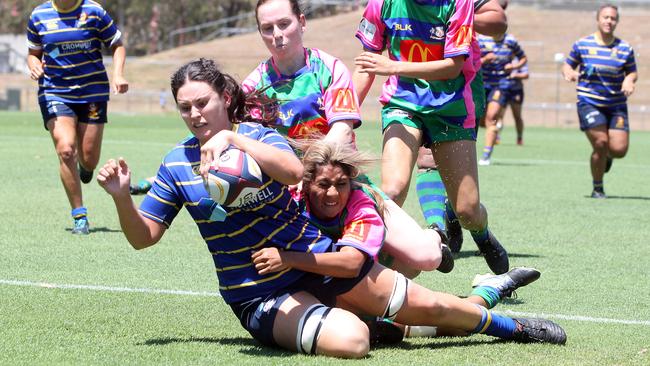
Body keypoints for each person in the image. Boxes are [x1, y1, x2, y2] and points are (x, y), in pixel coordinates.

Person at [98, 59, 566, 358]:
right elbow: (145, 238)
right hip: (259, 293)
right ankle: (382, 324)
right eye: (185, 108)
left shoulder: (258, 138)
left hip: (318, 262)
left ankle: (510, 324)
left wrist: (233, 137)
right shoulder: (176, 165)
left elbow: (288, 171)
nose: (196, 114)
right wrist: (122, 197)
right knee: (353, 341)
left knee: (436, 307)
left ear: (224, 98)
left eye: (203, 103)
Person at [239, 0, 452, 277]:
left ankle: (434, 236)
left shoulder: (328, 68)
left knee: (424, 258)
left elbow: (341, 130)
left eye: (284, 24)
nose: (277, 34)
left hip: (344, 186)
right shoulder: (254, 86)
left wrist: (303, 170)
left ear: (301, 23)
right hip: (290, 199)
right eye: (267, 28)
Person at [272, 138, 543, 342]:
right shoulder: (290, 201)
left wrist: (286, 259)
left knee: (443, 317)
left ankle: (487, 291)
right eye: (323, 185)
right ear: (306, 183)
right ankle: (490, 288)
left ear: (350, 183)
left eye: (341, 184)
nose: (332, 193)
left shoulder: (363, 205)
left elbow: (351, 265)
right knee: (440, 325)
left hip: (363, 278)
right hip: (329, 287)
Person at [353, 0, 509, 274]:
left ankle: (482, 234)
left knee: (467, 212)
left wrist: (393, 67)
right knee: (391, 191)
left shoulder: (458, 4)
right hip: (403, 102)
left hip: (451, 106)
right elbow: (367, 63)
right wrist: (342, 117)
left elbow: (452, 66)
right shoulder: (381, 4)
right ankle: (380, 263)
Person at [26, 0, 128, 234]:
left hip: (93, 93)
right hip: (54, 92)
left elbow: (117, 44)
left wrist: (119, 75)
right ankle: (79, 215)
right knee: (65, 149)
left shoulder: (93, 11)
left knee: (90, 159)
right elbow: (33, 53)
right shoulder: (39, 15)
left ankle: (85, 166)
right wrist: (33, 66)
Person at [561, 3, 637, 199]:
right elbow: (567, 65)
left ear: (617, 21)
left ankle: (608, 158)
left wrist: (629, 80)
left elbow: (632, 72)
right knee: (601, 143)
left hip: (616, 104)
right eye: (606, 17)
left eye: (613, 18)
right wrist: (569, 72)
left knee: (618, 150)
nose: (609, 21)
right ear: (598, 19)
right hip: (589, 102)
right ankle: (598, 187)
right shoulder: (582, 45)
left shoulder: (625, 48)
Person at [477, 31, 527, 165]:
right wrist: (484, 60)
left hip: (501, 85)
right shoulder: (481, 40)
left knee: (492, 117)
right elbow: (471, 61)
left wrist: (514, 66)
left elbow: (523, 58)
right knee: (481, 121)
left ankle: (486, 155)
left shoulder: (511, 41)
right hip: (481, 84)